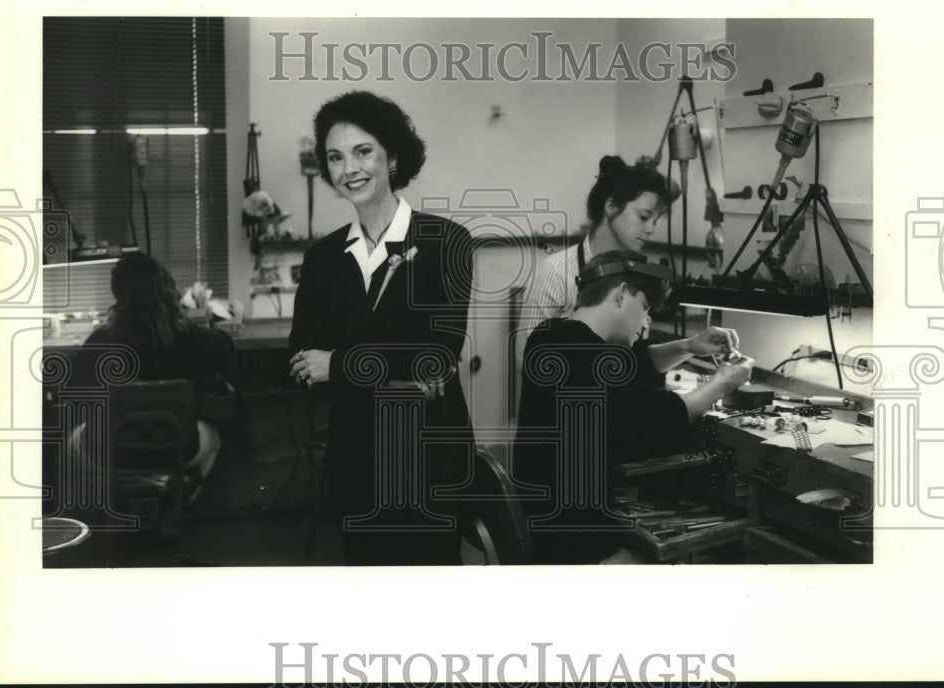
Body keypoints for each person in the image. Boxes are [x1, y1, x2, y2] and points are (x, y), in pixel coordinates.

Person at [288, 90, 475, 566]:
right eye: (335, 157)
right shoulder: (322, 259)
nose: (348, 167)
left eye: (362, 151)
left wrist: (340, 365)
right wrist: (395, 372)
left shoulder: (447, 242)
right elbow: (303, 368)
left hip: (431, 459)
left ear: (392, 156)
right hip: (359, 461)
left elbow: (437, 355)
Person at [513, 250, 753, 564]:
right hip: (577, 552)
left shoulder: (550, 337)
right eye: (645, 307)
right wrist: (723, 381)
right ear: (622, 293)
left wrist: (688, 346)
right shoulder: (584, 355)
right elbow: (660, 417)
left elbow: (626, 371)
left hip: (550, 530)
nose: (644, 323)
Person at [520, 153, 737, 375]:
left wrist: (688, 346)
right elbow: (529, 363)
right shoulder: (556, 273)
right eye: (644, 217)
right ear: (611, 207)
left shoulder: (634, 278)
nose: (651, 229)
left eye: (655, 221)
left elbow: (635, 363)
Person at [69, 253, 234, 483]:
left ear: (118, 294)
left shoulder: (101, 340)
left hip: (110, 452)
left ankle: (116, 501)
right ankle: (178, 498)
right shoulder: (192, 337)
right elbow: (225, 347)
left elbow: (74, 395)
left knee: (70, 442)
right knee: (214, 437)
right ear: (166, 289)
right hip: (177, 451)